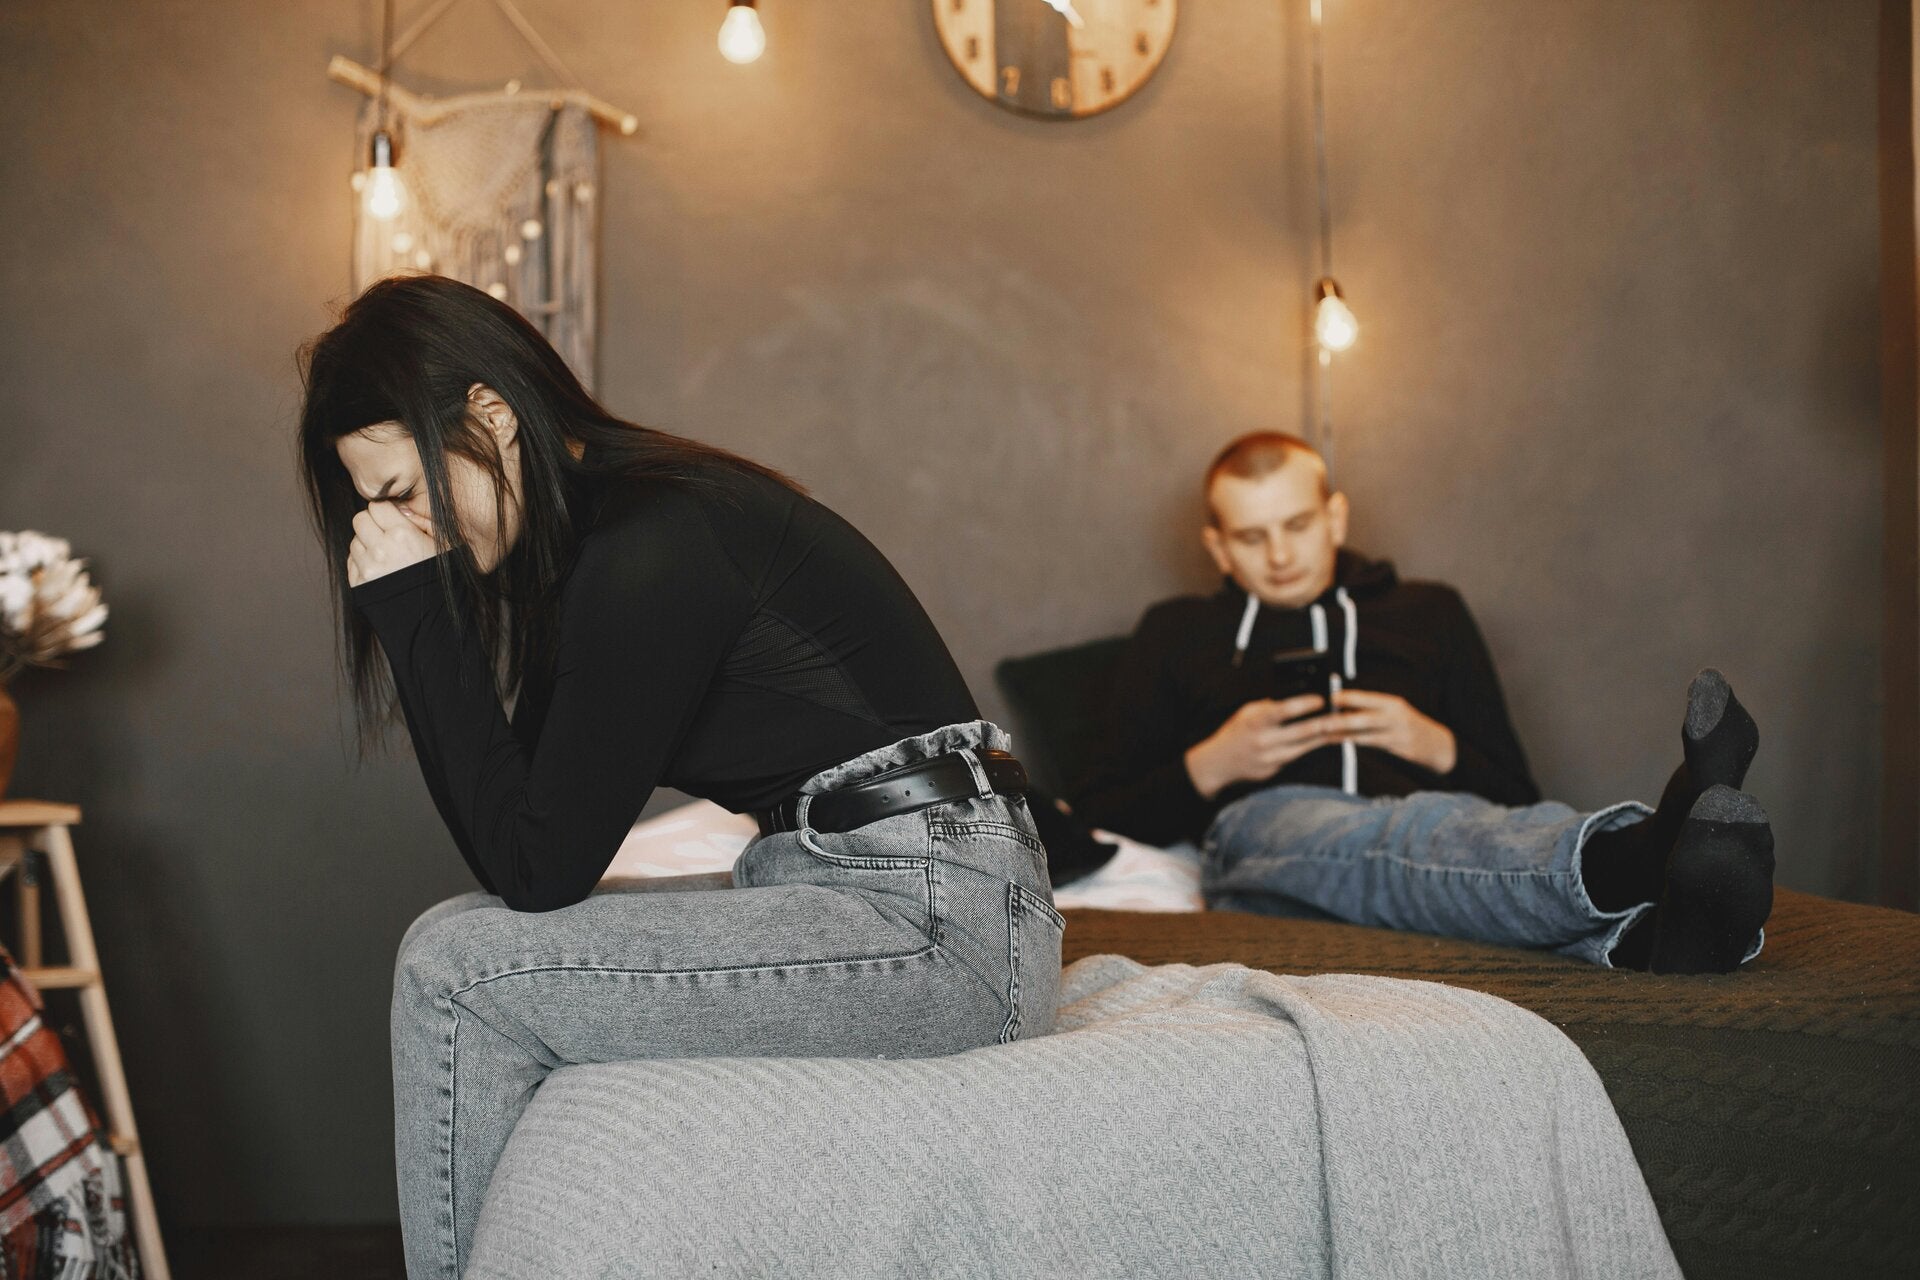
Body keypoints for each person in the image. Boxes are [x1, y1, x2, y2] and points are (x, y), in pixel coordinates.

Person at [296, 275, 1063, 1280]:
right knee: (451, 941)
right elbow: (519, 831)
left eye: (400, 493)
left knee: (461, 972)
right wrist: (424, 612)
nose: (400, 528)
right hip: (868, 887)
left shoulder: (652, 545)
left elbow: (536, 869)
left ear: (487, 411)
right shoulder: (602, 549)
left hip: (941, 923)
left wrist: (415, 616)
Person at [1073, 430, 1774, 975]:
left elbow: (1515, 795)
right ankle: (1640, 850)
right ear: (1217, 548)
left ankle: (1654, 943)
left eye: (1298, 525)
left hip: (1449, 826)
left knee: (1443, 842)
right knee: (1395, 839)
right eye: (1252, 538)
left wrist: (1433, 745)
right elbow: (1096, 815)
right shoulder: (1175, 630)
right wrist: (1209, 765)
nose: (1280, 555)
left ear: (1335, 516)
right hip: (1262, 838)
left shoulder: (1428, 613)